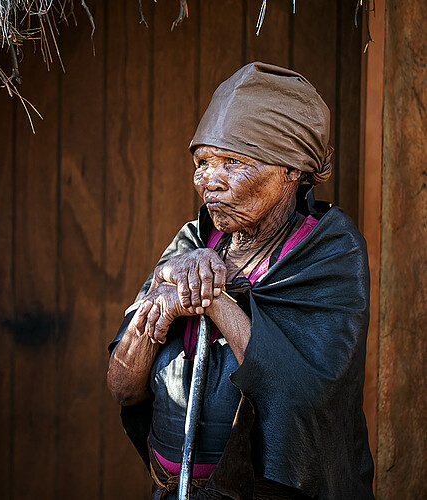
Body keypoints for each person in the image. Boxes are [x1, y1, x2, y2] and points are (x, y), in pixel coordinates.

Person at [107, 62, 375, 500]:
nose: (209, 182)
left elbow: (304, 400)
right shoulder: (193, 242)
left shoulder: (328, 250)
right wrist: (163, 299)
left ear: (292, 170)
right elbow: (122, 388)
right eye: (202, 162)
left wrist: (211, 301)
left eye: (233, 162)